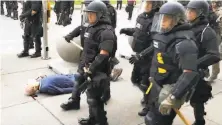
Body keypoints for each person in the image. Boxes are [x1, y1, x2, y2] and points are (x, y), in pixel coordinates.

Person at [144, 2, 200, 125]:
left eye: (166, 18)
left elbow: (189, 73)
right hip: (157, 85)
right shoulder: (163, 35)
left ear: (177, 20)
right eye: (161, 18)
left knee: (158, 122)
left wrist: (173, 97)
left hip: (170, 90)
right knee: (150, 119)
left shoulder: (185, 42)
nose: (162, 21)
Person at [73, 1, 115, 124]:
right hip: (87, 67)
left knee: (95, 100)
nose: (89, 17)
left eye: (92, 14)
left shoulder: (106, 31)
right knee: (90, 96)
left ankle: (102, 122)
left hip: (98, 70)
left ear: (101, 15)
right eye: (88, 14)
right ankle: (93, 119)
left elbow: (104, 54)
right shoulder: (90, 27)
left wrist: (91, 69)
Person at [120, 0, 164, 117]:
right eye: (146, 3)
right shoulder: (141, 17)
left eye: (150, 4)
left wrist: (142, 55)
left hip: (149, 57)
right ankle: (147, 96)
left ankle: (149, 105)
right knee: (135, 79)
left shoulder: (158, 20)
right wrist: (127, 30)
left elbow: (155, 42)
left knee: (146, 83)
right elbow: (139, 31)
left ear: (156, 6)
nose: (146, 6)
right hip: (138, 55)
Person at [186, 1, 220, 124]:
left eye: (192, 11)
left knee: (197, 99)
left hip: (196, 72)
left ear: (201, 13)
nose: (188, 13)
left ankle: (199, 121)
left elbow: (214, 55)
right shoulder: (186, 26)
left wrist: (195, 64)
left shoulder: (207, 31)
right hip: (180, 69)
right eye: (188, 10)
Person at [208, 0, 222, 82]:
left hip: (218, 34)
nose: (213, 4)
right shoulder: (211, 11)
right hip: (215, 34)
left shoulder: (220, 11)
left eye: (215, 3)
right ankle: (214, 73)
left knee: (217, 54)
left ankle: (214, 74)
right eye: (212, 3)